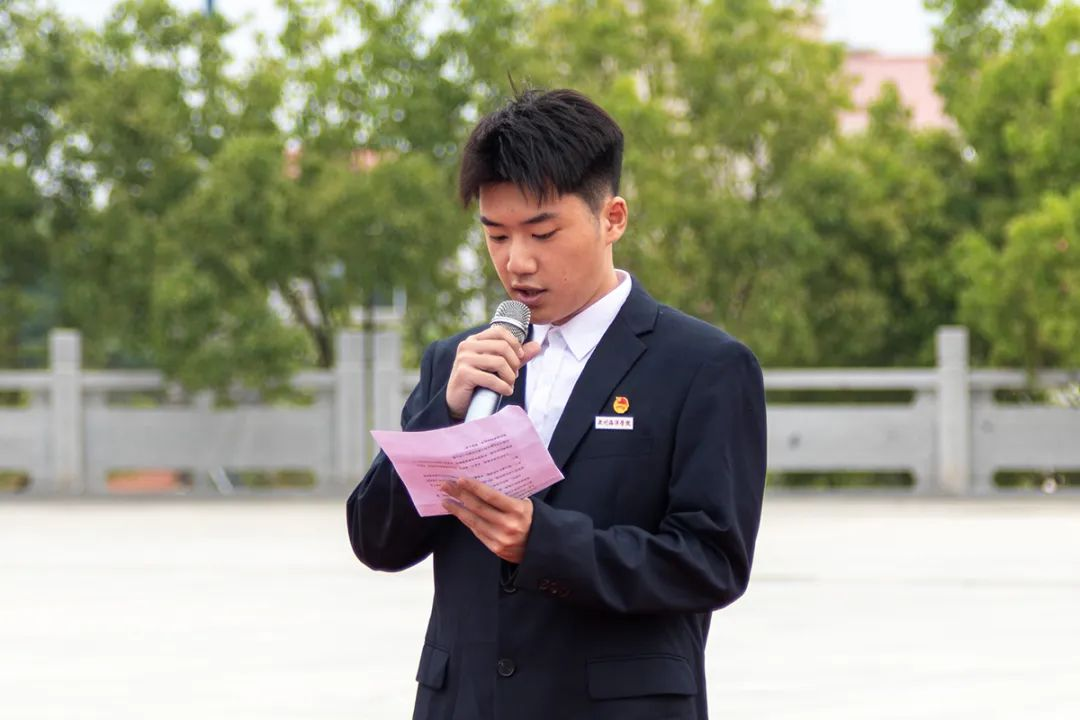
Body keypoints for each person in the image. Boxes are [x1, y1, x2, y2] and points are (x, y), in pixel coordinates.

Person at [346, 88, 767, 720]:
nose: (517, 262)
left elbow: (711, 564)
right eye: (496, 235)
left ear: (612, 218)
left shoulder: (704, 366)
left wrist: (544, 542)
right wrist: (446, 413)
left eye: (542, 233)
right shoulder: (457, 364)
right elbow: (377, 540)